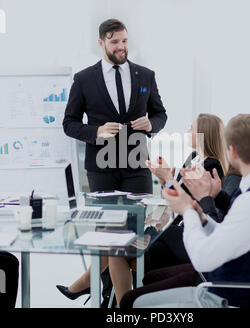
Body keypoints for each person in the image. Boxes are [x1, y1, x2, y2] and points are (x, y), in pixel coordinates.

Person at [120, 114, 250, 308]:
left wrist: (187, 210)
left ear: (233, 152)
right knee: (151, 277)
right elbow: (229, 232)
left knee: (131, 301)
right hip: (238, 283)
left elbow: (203, 260)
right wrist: (202, 217)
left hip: (225, 295)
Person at [60, 18, 167, 306]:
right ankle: (123, 305)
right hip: (102, 167)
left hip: (136, 164)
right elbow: (69, 123)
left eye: (124, 41)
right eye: (115, 42)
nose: (122, 47)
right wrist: (95, 132)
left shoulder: (145, 75)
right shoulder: (84, 79)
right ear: (101, 43)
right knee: (110, 235)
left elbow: (161, 115)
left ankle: (88, 285)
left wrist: (151, 124)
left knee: (137, 237)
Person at [108, 113, 228, 307]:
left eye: (191, 128)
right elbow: (181, 195)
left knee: (118, 243)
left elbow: (187, 201)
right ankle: (96, 289)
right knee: (116, 241)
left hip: (186, 236)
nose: (187, 131)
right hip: (180, 229)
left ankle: (109, 297)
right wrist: (166, 179)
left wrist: (167, 179)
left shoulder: (210, 164)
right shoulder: (195, 157)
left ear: (202, 134)